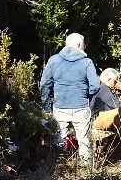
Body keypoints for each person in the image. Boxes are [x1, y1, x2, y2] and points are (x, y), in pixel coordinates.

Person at [39, 32, 99, 166]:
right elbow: (95, 86)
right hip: (81, 106)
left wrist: (47, 106)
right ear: (78, 44)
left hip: (60, 105)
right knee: (84, 139)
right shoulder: (87, 62)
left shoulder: (54, 60)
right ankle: (86, 169)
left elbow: (44, 85)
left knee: (58, 137)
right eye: (83, 44)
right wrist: (85, 96)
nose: (84, 46)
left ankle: (58, 165)